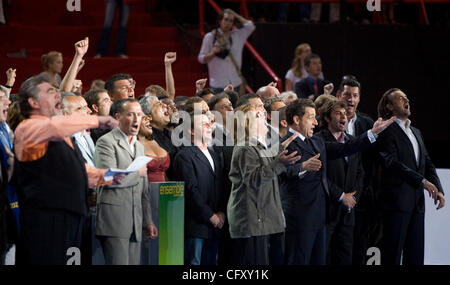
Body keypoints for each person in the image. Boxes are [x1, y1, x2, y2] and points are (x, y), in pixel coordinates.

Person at [13, 74, 123, 265]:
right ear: (33, 102)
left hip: (72, 218)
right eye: (50, 91)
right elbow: (53, 127)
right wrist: (96, 121)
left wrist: (106, 176)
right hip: (45, 221)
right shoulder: (28, 128)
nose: (57, 95)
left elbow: (78, 171)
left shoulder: (63, 134)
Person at [281, 99, 394, 265]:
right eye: (311, 117)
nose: (315, 122)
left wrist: (372, 133)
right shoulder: (283, 143)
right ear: (297, 120)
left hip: (320, 217)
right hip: (300, 219)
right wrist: (302, 167)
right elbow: (278, 173)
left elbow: (346, 148)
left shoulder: (316, 142)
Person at [376, 88, 445, 265]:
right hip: (396, 205)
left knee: (415, 257)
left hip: (417, 206)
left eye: (406, 97)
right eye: (400, 98)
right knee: (391, 256)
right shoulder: (385, 131)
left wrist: (439, 189)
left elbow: (427, 163)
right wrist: (421, 181)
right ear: (389, 106)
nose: (406, 101)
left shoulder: (416, 132)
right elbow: (391, 164)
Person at [228, 104, 301, 265]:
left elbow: (266, 165)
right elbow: (254, 180)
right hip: (253, 222)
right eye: (258, 115)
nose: (265, 118)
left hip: (266, 221)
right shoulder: (245, 148)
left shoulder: (259, 146)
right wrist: (279, 162)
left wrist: (280, 150)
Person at [94, 98, 158, 265]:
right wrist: (138, 173)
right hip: (114, 221)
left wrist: (148, 221)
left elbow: (144, 191)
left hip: (136, 222)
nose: (137, 119)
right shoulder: (106, 142)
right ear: (118, 117)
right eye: (130, 114)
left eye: (139, 114)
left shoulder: (140, 147)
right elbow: (108, 178)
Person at [335, 77, 381, 265]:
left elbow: (373, 161)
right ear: (338, 95)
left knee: (360, 247)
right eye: (347, 95)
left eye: (355, 96)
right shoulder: (328, 122)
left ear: (359, 99)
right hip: (335, 195)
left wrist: (361, 192)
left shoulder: (368, 124)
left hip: (361, 198)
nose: (350, 99)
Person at [173, 111, 224, 265]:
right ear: (191, 131)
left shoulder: (214, 155)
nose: (209, 126)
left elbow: (220, 186)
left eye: (209, 122)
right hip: (196, 224)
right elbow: (190, 190)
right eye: (204, 124)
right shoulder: (184, 156)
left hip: (216, 224)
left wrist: (221, 212)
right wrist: (210, 215)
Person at [317, 100, 364, 265]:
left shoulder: (352, 141)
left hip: (347, 212)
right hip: (325, 212)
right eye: (338, 113)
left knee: (344, 258)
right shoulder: (318, 140)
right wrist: (340, 195)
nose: (344, 116)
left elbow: (359, 173)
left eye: (345, 113)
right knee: (323, 258)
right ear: (327, 118)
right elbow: (319, 174)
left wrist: (352, 198)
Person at [198, 9, 255, 94]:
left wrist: (235, 14)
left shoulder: (237, 35)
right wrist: (212, 53)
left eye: (231, 21)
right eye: (226, 19)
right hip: (218, 84)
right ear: (220, 20)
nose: (228, 23)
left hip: (235, 82)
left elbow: (250, 26)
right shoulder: (210, 37)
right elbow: (201, 58)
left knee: (235, 107)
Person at [138, 97, 170, 183]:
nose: (148, 119)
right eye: (144, 118)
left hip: (164, 193)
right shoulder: (130, 145)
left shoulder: (154, 141)